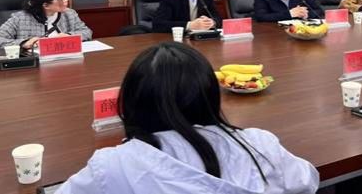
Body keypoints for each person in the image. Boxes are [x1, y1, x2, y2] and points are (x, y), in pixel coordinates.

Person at [56, 42, 319, 194]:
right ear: (210, 94)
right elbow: (307, 180)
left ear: (132, 99)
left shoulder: (114, 165)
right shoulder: (258, 145)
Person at [0, 0, 92, 50]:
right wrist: (23, 43)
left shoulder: (69, 14)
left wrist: (69, 36)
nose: (66, 0)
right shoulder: (20, 18)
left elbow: (86, 32)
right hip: (34, 67)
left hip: (66, 61)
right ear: (46, 5)